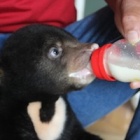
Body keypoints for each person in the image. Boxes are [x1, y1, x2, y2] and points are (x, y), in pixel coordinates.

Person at [0, 0, 140, 139]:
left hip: (62, 34)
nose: (92, 48)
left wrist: (128, 5)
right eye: (55, 52)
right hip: (20, 73)